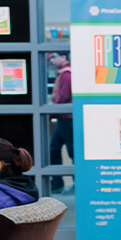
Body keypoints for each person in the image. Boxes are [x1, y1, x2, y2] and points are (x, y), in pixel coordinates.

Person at [47, 52, 73, 193]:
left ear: (63, 57)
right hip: (64, 118)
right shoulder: (63, 73)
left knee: (71, 150)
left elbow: (63, 96)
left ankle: (72, 184)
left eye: (54, 57)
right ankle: (57, 183)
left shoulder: (66, 74)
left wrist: (51, 113)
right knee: (54, 149)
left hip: (67, 118)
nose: (51, 60)